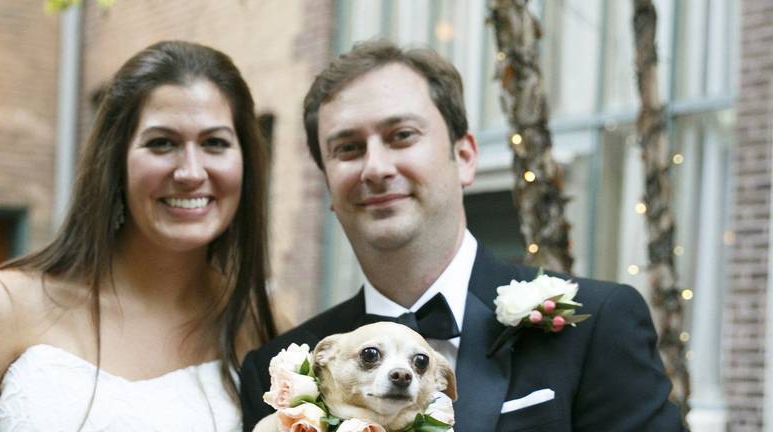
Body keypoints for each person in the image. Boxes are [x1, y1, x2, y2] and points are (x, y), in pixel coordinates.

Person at [240, 40, 683, 432]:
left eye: (401, 136)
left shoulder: (597, 325)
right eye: (348, 148)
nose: (375, 167)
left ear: (465, 156)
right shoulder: (281, 371)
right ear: (328, 187)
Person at [0, 40, 277, 431]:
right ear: (115, 162)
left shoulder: (263, 328)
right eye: (162, 143)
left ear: (246, 164)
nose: (190, 172)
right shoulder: (2, 306)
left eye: (215, 143)